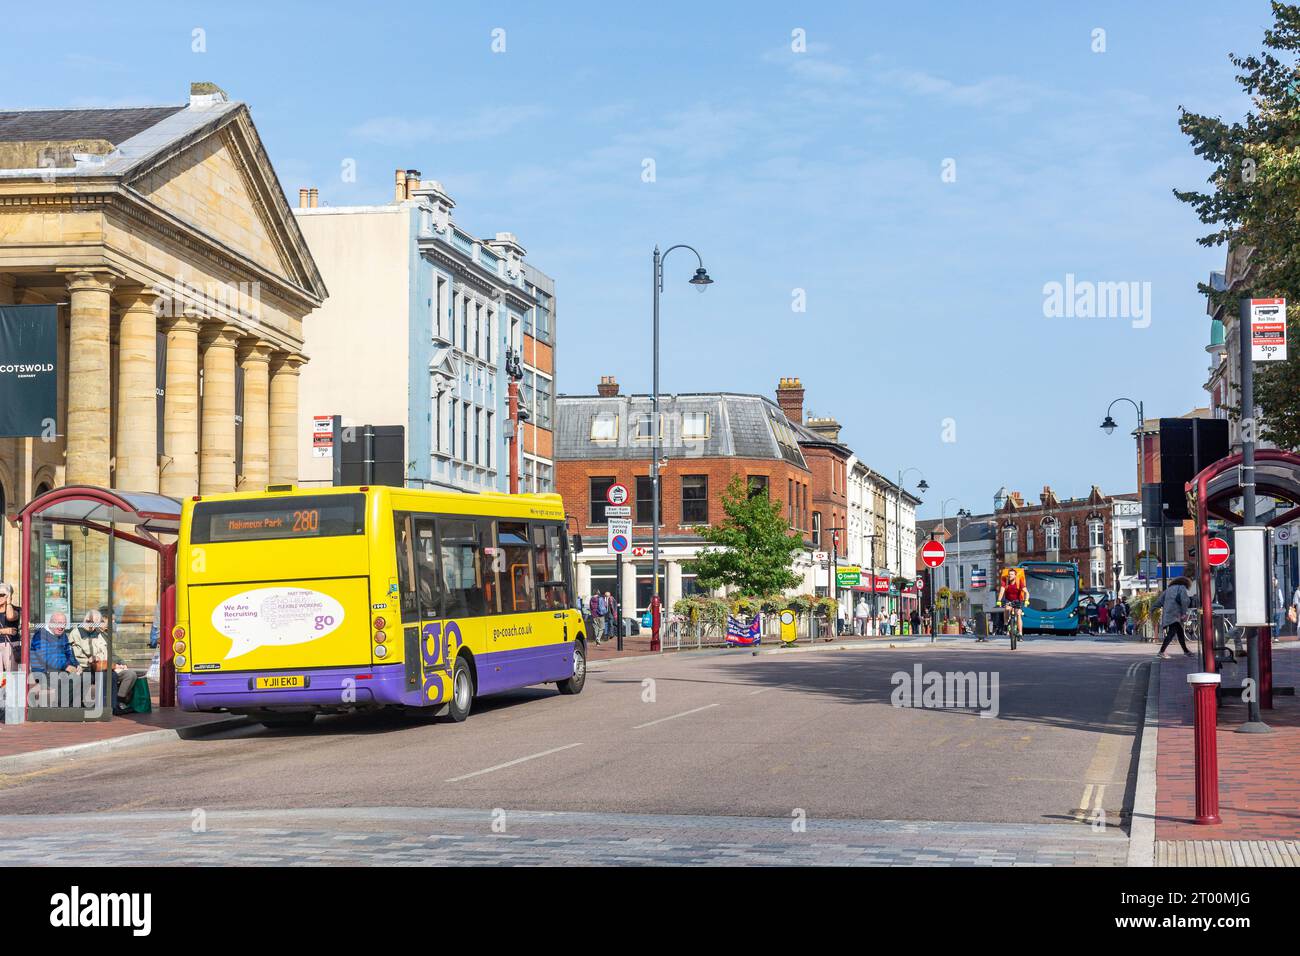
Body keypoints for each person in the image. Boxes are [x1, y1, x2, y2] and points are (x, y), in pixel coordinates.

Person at [1156, 575, 1196, 659]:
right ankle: (1161, 651)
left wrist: (1152, 609)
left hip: (1169, 614)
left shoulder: (1168, 589)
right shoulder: (1181, 588)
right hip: (1176, 615)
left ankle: (1186, 651)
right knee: (1171, 633)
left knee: (1180, 632)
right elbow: (1184, 600)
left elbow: (1159, 601)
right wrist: (1184, 613)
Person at [996, 567, 1028, 637]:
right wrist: (999, 601)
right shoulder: (1005, 581)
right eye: (1009, 574)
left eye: (1012, 574)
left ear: (1015, 576)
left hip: (1018, 600)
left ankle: (1020, 633)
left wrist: (1026, 600)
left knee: (1019, 614)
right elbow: (1001, 592)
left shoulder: (1019, 582)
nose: (1010, 575)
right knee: (1007, 609)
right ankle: (1005, 624)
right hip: (1008, 600)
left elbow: (1026, 593)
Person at [0, 583, 20, 674]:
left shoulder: (16, 609)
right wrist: (3, 631)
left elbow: (10, 616)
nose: (0, 597)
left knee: (11, 674)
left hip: (11, 645)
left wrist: (8, 603)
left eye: (2, 595)